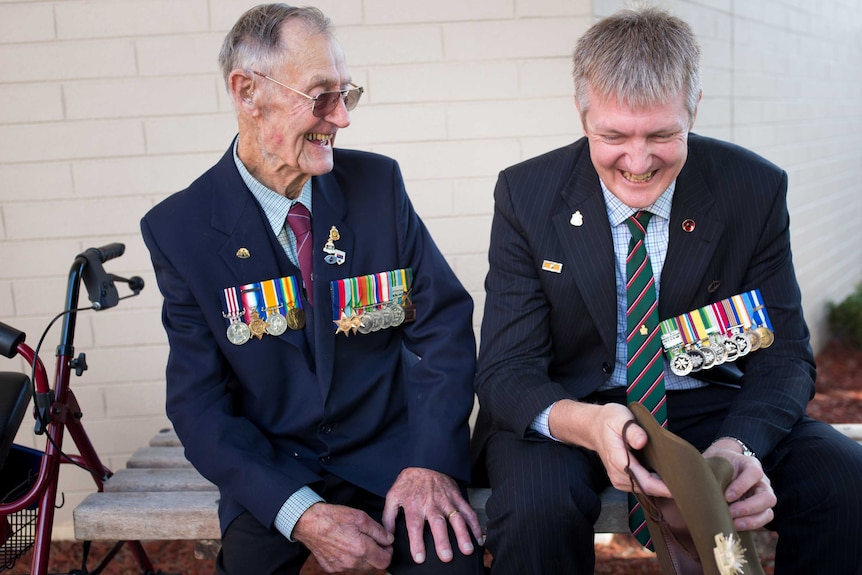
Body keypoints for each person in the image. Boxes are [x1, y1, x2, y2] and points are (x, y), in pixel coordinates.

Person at [472, 5, 862, 574]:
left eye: (662, 134)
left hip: (703, 398)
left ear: (693, 110)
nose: (637, 161)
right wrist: (587, 423)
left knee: (845, 479)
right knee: (537, 508)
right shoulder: (526, 194)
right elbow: (506, 369)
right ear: (582, 117)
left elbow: (783, 357)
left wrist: (739, 448)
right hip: (570, 406)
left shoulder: (751, 189)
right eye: (613, 136)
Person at [141, 5, 483, 574]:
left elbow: (442, 327)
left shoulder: (378, 186)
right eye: (321, 96)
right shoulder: (181, 230)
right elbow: (198, 403)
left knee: (449, 564)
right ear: (247, 91)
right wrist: (300, 512)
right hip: (276, 469)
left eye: (347, 93)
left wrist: (430, 463)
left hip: (393, 459)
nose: (342, 118)